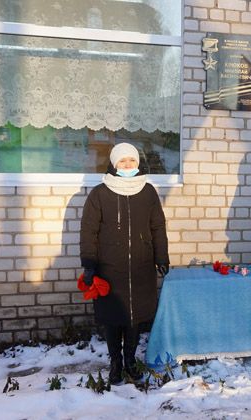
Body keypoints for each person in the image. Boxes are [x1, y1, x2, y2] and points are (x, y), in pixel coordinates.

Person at [80, 142, 170, 383]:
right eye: (123, 161)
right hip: (110, 268)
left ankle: (130, 361)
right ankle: (115, 364)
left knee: (135, 317)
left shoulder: (148, 191)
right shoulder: (100, 194)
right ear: (114, 164)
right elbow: (89, 231)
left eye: (131, 160)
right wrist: (89, 264)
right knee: (113, 318)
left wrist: (161, 257)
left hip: (141, 265)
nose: (128, 165)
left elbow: (157, 226)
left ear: (137, 163)